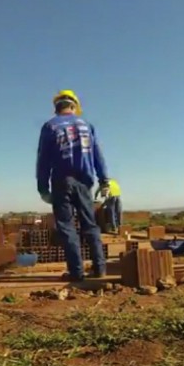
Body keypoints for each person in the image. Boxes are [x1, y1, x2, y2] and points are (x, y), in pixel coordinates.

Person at [36, 89, 109, 281]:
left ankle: (76, 273)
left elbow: (43, 159)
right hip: (84, 182)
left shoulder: (50, 126)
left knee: (67, 227)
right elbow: (97, 155)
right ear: (74, 106)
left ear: (56, 107)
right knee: (90, 224)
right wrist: (104, 180)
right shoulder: (87, 125)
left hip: (62, 182)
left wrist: (43, 188)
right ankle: (100, 269)